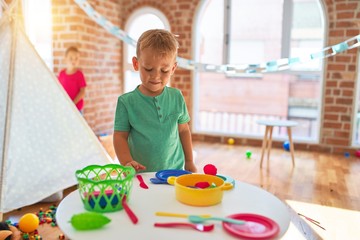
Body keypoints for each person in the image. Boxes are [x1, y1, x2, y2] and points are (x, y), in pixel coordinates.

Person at [113, 29, 197, 173]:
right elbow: (120, 136)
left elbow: (183, 130)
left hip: (174, 172)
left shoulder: (176, 97)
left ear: (173, 68)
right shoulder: (126, 102)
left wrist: (189, 161)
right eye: (148, 68)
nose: (155, 76)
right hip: (141, 175)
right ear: (136, 64)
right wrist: (127, 162)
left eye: (164, 70)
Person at [58, 46, 87, 112]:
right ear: (65, 59)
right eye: (71, 58)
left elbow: (82, 92)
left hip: (76, 108)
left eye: (76, 58)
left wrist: (73, 103)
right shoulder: (61, 73)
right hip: (64, 107)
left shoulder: (79, 74)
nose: (74, 60)